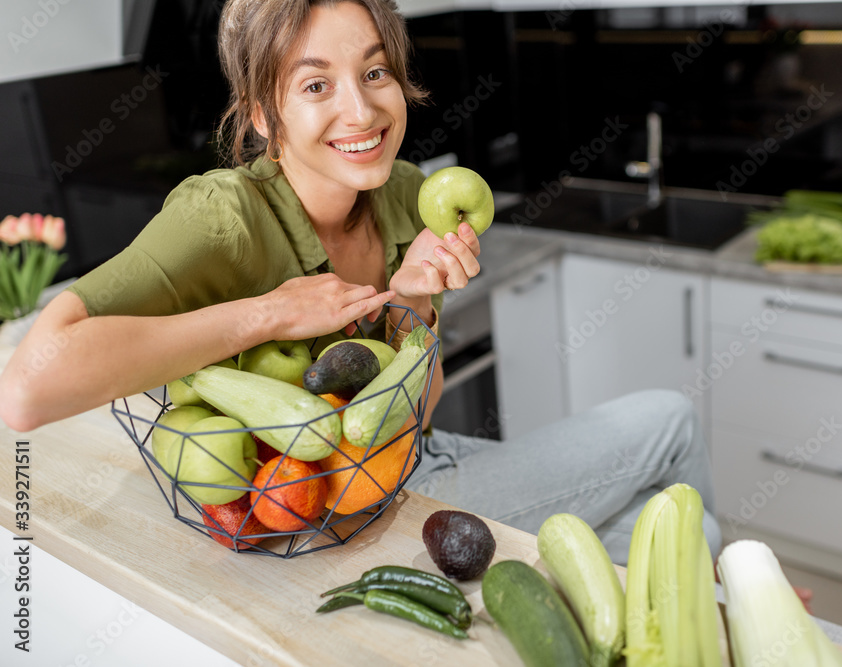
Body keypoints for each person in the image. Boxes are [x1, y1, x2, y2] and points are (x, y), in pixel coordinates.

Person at [0, 0, 719, 566]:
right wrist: (265, 316)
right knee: (672, 422)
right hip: (313, 512)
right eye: (316, 84)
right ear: (261, 113)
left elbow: (420, 414)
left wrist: (409, 300)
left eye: (375, 72)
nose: (363, 109)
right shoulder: (223, 216)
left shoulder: (407, 192)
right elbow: (27, 387)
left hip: (405, 467)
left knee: (684, 528)